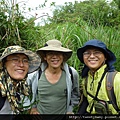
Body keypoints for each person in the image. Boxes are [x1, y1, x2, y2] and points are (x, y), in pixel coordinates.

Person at [29, 39, 80, 119]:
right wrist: (33, 108)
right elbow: (27, 94)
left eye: (58, 53)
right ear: (45, 57)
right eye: (50, 53)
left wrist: (70, 110)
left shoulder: (71, 73)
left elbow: (75, 94)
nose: (55, 57)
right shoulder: (35, 75)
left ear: (63, 56)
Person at [77, 39, 120, 115]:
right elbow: (86, 101)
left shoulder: (116, 80)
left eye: (97, 52)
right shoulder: (86, 79)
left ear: (105, 57)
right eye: (87, 53)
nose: (92, 56)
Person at [0, 45, 41, 115]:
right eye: (15, 60)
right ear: (4, 64)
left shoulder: (19, 87)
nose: (21, 64)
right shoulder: (2, 88)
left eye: (25, 61)